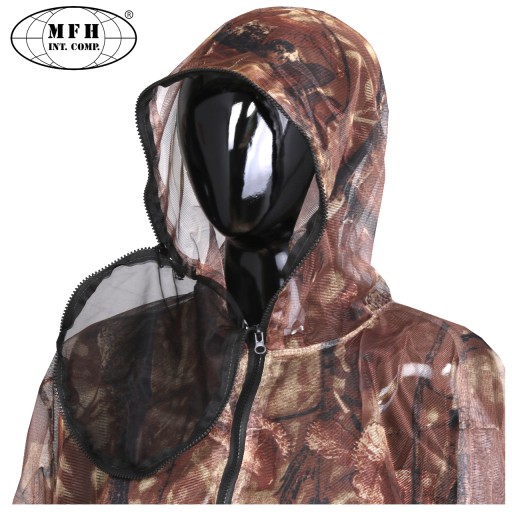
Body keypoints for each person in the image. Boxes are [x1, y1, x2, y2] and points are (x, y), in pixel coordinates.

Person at [14, 6, 504, 504]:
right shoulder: (105, 358)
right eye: (204, 125)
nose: (226, 156)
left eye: (266, 127)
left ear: (339, 147)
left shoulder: (436, 367)